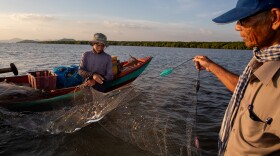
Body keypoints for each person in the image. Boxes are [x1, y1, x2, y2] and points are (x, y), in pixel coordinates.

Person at [193, 0, 280, 155]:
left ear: (274, 18)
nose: (237, 26)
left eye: (244, 19)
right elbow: (246, 92)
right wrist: (210, 66)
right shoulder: (262, 57)